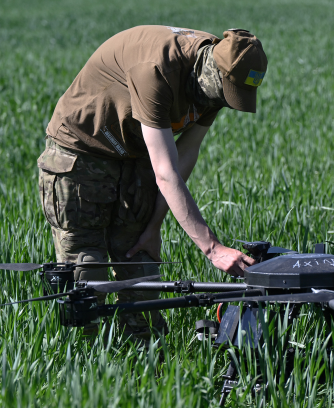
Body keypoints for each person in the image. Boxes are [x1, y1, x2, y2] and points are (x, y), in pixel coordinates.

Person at [37, 26, 265, 341]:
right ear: (211, 70)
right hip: (81, 151)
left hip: (134, 154)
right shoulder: (157, 70)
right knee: (87, 269)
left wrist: (153, 226)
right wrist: (212, 249)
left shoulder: (212, 82)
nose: (223, 101)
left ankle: (144, 357)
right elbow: (165, 172)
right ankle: (84, 356)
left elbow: (185, 153)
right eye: (225, 93)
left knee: (141, 266)